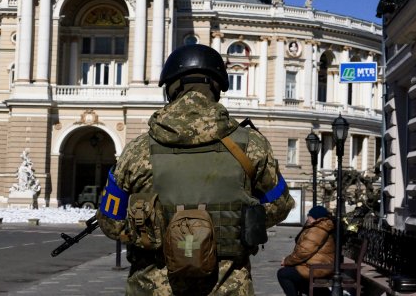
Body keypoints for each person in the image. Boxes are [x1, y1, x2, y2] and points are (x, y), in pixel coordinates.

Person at [96, 44, 295, 296]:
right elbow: (281, 204)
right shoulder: (251, 145)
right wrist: (239, 225)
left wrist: (153, 232)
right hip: (227, 287)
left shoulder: (137, 150)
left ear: (171, 88)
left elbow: (110, 221)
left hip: (152, 287)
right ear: (216, 87)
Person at [277, 206, 335, 296]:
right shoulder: (318, 227)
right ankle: (322, 293)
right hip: (316, 265)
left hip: (318, 268)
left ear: (315, 217)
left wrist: (287, 261)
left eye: (309, 215)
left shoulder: (318, 230)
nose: (307, 218)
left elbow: (303, 252)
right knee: (290, 273)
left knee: (283, 274)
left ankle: (322, 293)